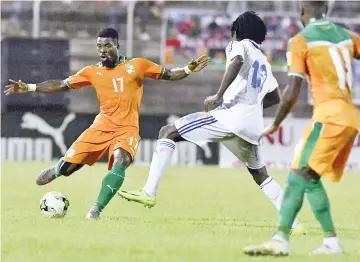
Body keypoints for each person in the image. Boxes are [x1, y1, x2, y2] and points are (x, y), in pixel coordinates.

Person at [118, 12, 304, 234]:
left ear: (236, 31)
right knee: (261, 175)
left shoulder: (239, 45)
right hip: (251, 126)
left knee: (167, 132)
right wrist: (251, 108)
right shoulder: (264, 60)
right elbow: (274, 98)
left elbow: (236, 61)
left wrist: (218, 95)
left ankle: (149, 192)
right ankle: (294, 223)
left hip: (229, 117)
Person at [4, 27, 209, 220]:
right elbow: (61, 84)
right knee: (69, 169)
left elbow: (169, 75)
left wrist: (188, 69)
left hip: (127, 128)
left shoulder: (137, 65)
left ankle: (96, 209)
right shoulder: (92, 71)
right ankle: (59, 169)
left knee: (121, 160)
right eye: (99, 46)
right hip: (101, 126)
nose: (102, 50)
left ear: (117, 45)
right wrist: (30, 87)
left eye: (107, 46)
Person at [244, 1, 360, 256]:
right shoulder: (348, 36)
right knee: (309, 177)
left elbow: (292, 89)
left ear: (301, 12)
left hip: (328, 116)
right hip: (350, 116)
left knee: (297, 174)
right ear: (326, 9)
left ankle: (281, 239)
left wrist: (275, 123)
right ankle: (330, 243)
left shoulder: (301, 41)